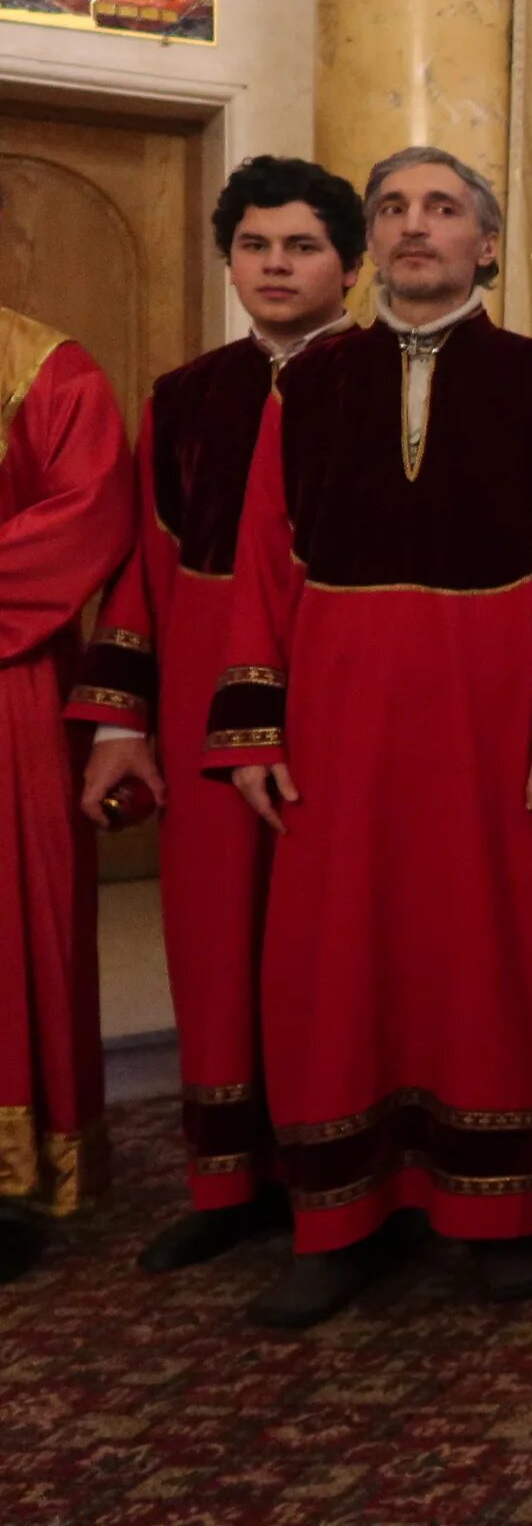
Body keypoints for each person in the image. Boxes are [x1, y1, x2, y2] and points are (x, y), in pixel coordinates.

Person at [206, 145, 532, 1327]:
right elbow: (262, 563)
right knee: (334, 957)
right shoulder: (310, 387)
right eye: (392, 208)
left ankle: (505, 1206)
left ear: (486, 243)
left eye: (442, 209)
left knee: (491, 953)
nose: (413, 227)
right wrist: (251, 721)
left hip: (492, 726)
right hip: (335, 727)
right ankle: (338, 1213)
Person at [68, 156, 363, 1274]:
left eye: (301, 245)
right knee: (214, 943)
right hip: (197, 702)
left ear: (350, 263)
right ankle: (228, 1179)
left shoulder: (384, 385)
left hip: (334, 704)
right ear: (229, 258)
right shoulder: (185, 397)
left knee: (322, 947)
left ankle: (337, 1175)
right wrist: (118, 727)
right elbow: (144, 570)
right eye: (255, 244)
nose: (276, 264)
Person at [0, 279, 134, 1281]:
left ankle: (11, 1180)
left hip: (10, 683)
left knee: (14, 926)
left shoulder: (46, 367)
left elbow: (89, 516)